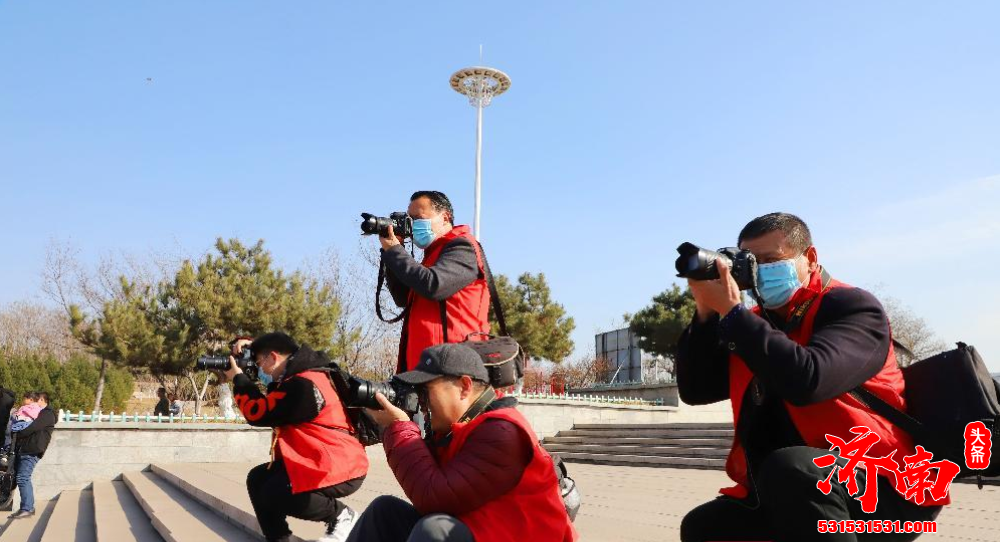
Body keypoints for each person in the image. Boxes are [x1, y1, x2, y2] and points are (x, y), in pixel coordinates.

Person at [676, 212, 945, 542]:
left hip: (886, 490)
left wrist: (734, 314)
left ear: (811, 258)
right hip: (793, 487)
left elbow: (807, 380)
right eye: (752, 263)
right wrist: (705, 314)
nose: (761, 272)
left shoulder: (852, 307)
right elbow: (696, 389)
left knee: (791, 470)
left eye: (771, 260)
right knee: (706, 527)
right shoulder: (756, 324)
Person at [347, 343, 576, 542]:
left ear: (465, 387)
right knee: (384, 512)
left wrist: (396, 428)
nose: (421, 402)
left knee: (436, 531)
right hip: (485, 530)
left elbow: (434, 498)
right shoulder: (456, 428)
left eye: (425, 391)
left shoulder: (502, 431)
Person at [226, 332, 368, 542]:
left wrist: (239, 379)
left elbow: (259, 412)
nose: (259, 370)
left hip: (341, 467)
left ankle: (341, 515)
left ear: (273, 358)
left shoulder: (304, 384)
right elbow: (278, 343)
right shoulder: (302, 375)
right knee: (258, 479)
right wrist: (253, 345)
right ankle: (279, 538)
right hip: (320, 460)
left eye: (259, 362)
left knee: (275, 490)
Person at [379, 191, 490, 375]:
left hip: (454, 373)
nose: (413, 226)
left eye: (418, 218)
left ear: (445, 217)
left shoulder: (462, 247)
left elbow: (433, 285)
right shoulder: (432, 257)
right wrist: (392, 253)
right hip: (424, 370)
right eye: (410, 220)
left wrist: (395, 252)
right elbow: (402, 298)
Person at [9, 391, 56, 520]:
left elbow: (30, 429)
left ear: (42, 400)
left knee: (23, 477)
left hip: (32, 450)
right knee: (22, 477)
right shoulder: (41, 413)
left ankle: (27, 508)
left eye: (37, 400)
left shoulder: (47, 414)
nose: (35, 403)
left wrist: (17, 432)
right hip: (26, 449)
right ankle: (27, 507)